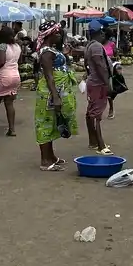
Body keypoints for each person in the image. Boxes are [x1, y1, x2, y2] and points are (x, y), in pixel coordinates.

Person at [34, 22, 79, 171]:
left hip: (56, 91)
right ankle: (45, 161)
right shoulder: (46, 52)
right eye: (57, 33)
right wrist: (56, 96)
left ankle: (51, 156)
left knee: (52, 123)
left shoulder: (52, 50)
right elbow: (49, 76)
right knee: (45, 124)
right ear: (49, 35)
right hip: (49, 93)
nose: (60, 36)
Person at [84, 21, 113, 155]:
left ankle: (93, 141)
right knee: (96, 114)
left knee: (91, 112)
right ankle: (100, 145)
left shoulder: (90, 45)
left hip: (93, 82)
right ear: (99, 33)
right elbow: (101, 66)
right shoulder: (96, 46)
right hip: (98, 83)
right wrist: (107, 83)